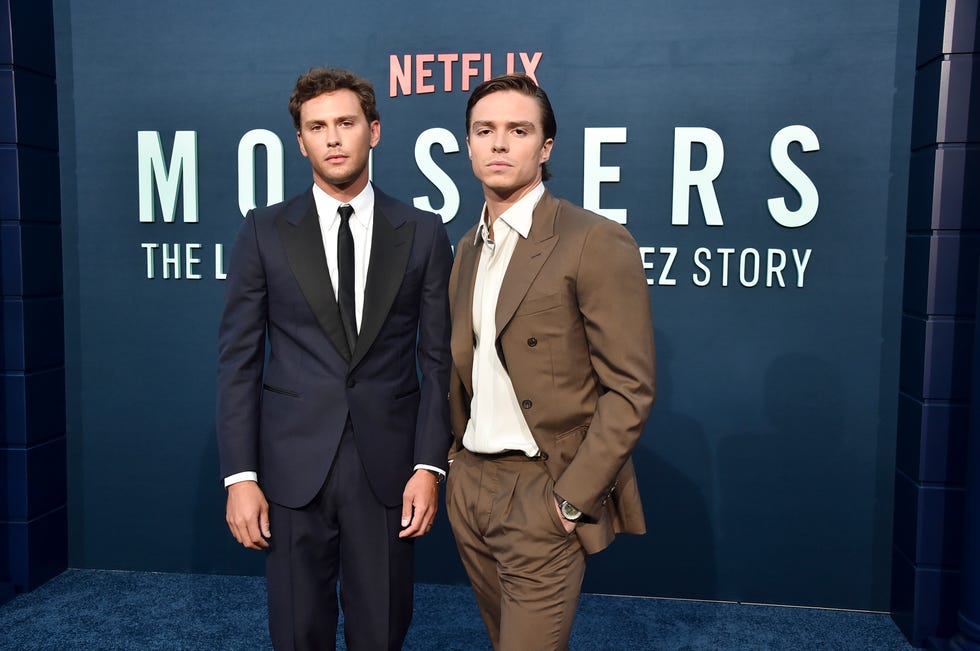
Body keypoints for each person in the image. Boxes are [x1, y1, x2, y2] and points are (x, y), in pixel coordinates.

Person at [216, 67, 452, 651]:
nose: (333, 138)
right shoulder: (264, 231)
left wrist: (429, 465)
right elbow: (239, 360)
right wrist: (240, 477)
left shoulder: (422, 231)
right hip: (291, 468)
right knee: (298, 632)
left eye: (346, 123)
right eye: (317, 127)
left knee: (383, 630)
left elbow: (440, 360)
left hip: (389, 469)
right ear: (300, 141)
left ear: (373, 130)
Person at [446, 73, 656, 650]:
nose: (498, 144)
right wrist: (454, 466)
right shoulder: (466, 247)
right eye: (484, 131)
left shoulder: (593, 239)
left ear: (545, 148)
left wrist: (569, 501)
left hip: (543, 489)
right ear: (467, 145)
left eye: (518, 130)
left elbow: (631, 389)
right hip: (470, 487)